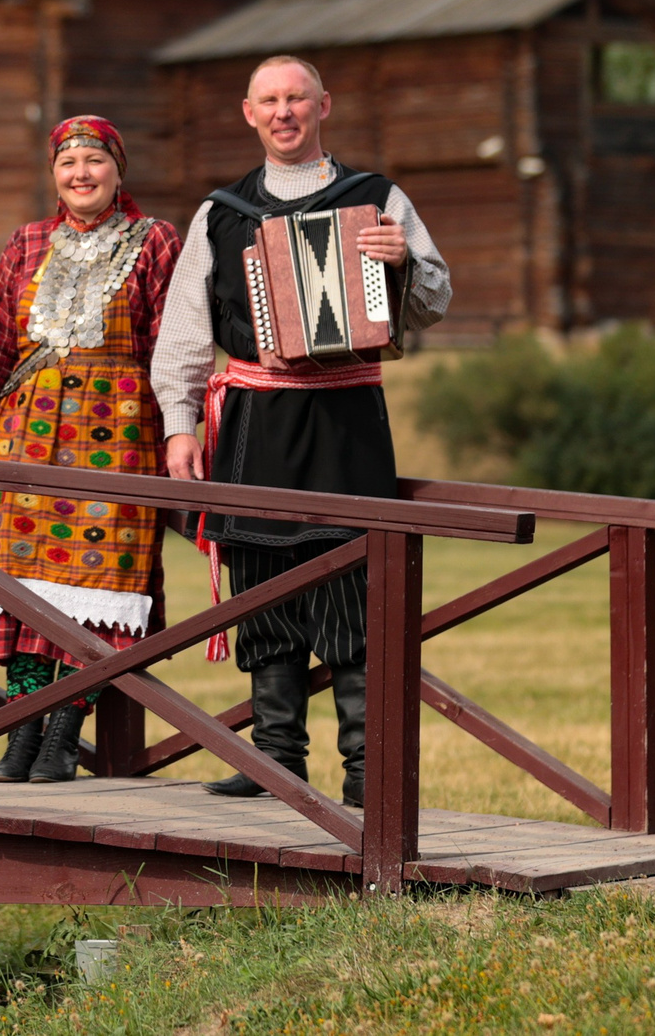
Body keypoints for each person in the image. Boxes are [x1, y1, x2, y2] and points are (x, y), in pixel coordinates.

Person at [151, 55, 452, 805]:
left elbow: (435, 300)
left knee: (351, 586)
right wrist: (179, 424)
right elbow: (186, 325)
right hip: (254, 416)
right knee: (261, 583)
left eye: (296, 98)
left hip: (346, 418)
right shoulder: (221, 212)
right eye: (269, 100)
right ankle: (275, 760)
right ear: (247, 112)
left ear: (325, 104)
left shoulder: (375, 198)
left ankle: (364, 773)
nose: (284, 111)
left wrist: (402, 260)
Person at [0, 115, 182, 784]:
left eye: (94, 160)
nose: (81, 173)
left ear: (119, 168)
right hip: (24, 439)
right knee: (23, 589)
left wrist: (178, 427)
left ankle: (63, 733)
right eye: (68, 163)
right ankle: (21, 730)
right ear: (53, 173)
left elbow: (169, 344)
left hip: (115, 438)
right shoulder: (27, 242)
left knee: (97, 585)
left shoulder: (154, 241)